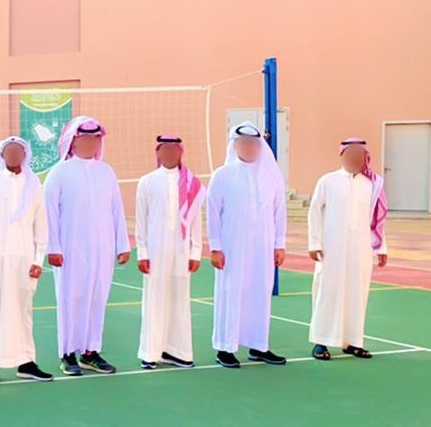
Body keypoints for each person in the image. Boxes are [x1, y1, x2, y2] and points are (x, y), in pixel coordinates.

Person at [44, 116, 130, 376]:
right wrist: (53, 247)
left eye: (95, 140)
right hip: (70, 247)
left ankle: (90, 351)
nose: (91, 144)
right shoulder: (59, 172)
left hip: (103, 246)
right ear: (73, 142)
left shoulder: (106, 172)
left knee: (97, 297)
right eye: (85, 139)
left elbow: (116, 209)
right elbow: (49, 212)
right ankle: (67, 352)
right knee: (71, 298)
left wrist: (122, 244)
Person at [0, 136, 53, 385]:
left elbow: (41, 226)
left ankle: (26, 363)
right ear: (2, 155)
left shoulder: (34, 185)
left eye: (19, 151)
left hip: (25, 260)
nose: (14, 155)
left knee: (24, 311)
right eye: (10, 151)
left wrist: (38, 260)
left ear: (25, 155)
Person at [207, 122, 288, 368]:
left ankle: (258, 346)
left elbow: (279, 211)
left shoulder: (272, 176)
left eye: (253, 144)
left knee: (260, 293)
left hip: (263, 246)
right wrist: (215, 246)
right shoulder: (223, 175)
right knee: (230, 293)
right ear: (235, 145)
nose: (249, 148)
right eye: (243, 143)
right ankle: (225, 347)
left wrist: (279, 244)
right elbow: (213, 212)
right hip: (231, 246)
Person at [307, 137, 390, 360]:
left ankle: (353, 342)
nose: (355, 159)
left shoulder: (371, 185)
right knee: (328, 292)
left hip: (361, 249)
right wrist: (314, 243)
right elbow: (314, 211)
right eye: (351, 154)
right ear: (342, 155)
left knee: (357, 293)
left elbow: (377, 220)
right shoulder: (328, 181)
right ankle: (321, 341)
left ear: (365, 158)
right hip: (330, 248)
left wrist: (381, 247)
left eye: (359, 155)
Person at [135, 136, 204, 369]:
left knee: (180, 299)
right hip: (155, 250)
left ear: (180, 152)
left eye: (174, 149)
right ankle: (151, 353)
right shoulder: (147, 182)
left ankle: (178, 352)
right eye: (165, 149)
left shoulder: (192, 184)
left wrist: (196, 252)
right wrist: (142, 252)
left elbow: (195, 220)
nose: (170, 154)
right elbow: (141, 220)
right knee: (155, 299)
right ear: (158, 153)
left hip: (182, 250)